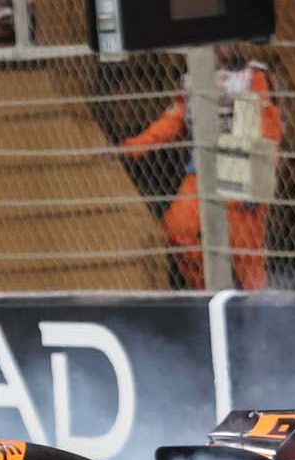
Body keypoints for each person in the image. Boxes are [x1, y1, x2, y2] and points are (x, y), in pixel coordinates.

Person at [121, 43, 283, 291]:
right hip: (201, 171)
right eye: (223, 40)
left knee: (247, 257)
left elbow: (270, 130)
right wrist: (135, 146)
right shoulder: (194, 78)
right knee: (177, 231)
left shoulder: (255, 77)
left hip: (241, 171)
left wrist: (259, 175)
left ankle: (255, 307)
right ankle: (210, 292)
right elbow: (174, 118)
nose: (229, 46)